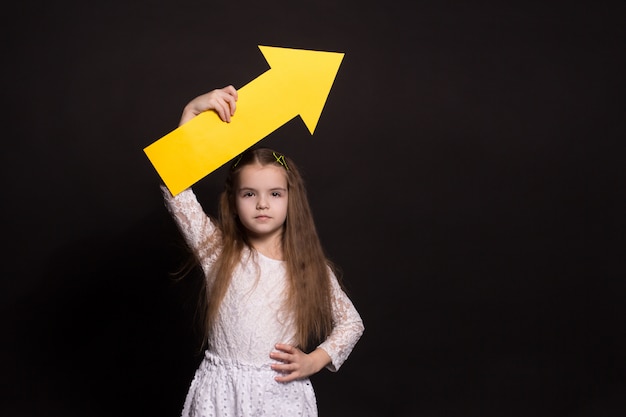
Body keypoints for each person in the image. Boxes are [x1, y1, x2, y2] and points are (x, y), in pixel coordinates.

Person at [160, 85, 365, 417]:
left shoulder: (307, 266)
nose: (262, 204)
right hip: (220, 394)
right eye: (249, 194)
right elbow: (175, 190)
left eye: (274, 194)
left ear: (290, 198)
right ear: (233, 201)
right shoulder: (217, 250)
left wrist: (314, 359)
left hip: (279, 397)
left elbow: (351, 323)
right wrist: (192, 112)